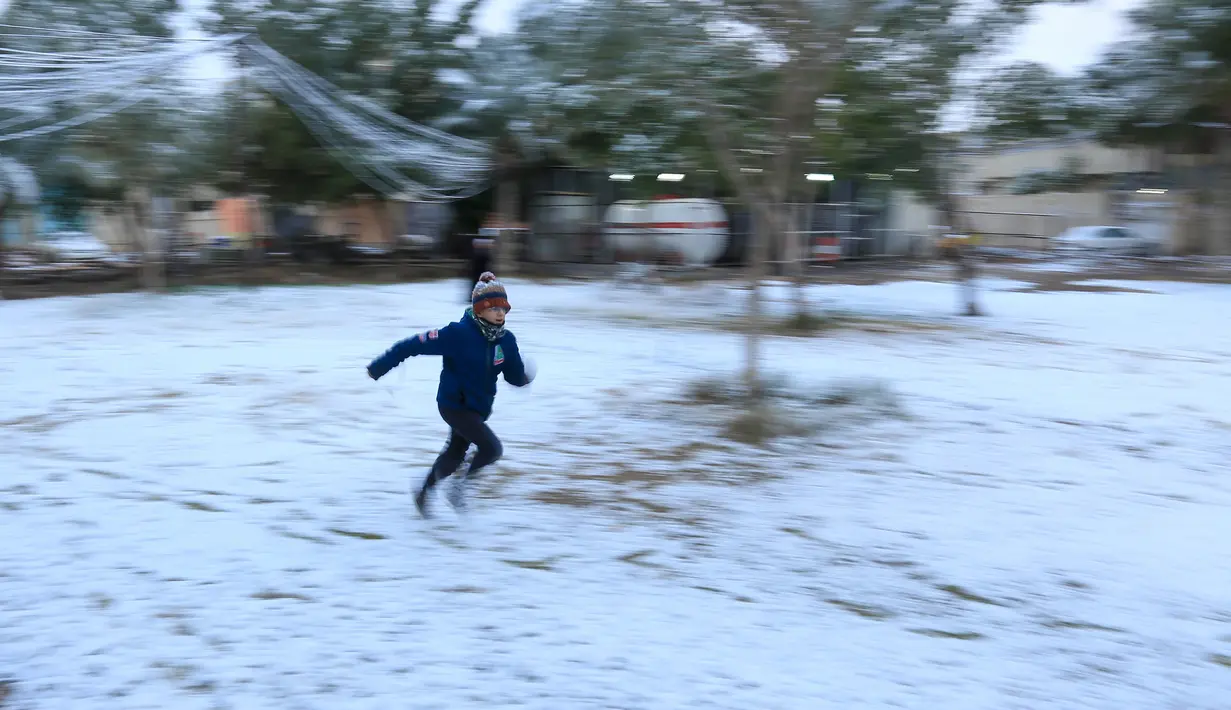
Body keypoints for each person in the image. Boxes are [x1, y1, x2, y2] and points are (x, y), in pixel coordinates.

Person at [367, 272, 535, 517]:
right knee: (492, 448)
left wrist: (523, 378)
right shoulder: (458, 334)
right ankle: (458, 488)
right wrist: (380, 366)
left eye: (504, 308)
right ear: (478, 310)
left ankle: (424, 492)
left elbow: (512, 376)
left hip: (478, 408)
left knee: (455, 455)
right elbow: (412, 345)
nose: (500, 313)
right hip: (453, 404)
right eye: (492, 308)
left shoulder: (506, 342)